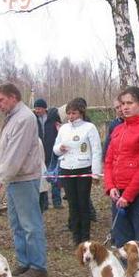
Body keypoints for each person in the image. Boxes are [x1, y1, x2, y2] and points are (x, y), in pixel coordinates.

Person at [0, 83, 48, 277]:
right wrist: (2, 176)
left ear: (13, 97)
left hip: (24, 178)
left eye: (1, 100)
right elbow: (6, 151)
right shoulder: (13, 118)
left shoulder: (24, 118)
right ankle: (24, 262)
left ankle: (38, 265)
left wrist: (1, 179)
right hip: (14, 179)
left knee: (30, 224)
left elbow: (16, 154)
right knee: (17, 225)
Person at [104, 86, 139, 270]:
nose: (125, 107)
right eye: (123, 104)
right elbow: (109, 160)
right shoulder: (117, 129)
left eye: (130, 103)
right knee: (122, 243)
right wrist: (111, 186)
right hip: (118, 194)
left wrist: (128, 195)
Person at [53, 98, 102, 246]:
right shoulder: (63, 128)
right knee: (72, 204)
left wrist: (96, 173)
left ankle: (85, 237)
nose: (71, 116)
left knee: (83, 203)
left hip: (83, 169)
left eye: (73, 113)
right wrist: (60, 148)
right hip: (67, 169)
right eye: (68, 113)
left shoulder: (89, 127)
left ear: (81, 113)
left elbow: (96, 151)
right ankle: (76, 236)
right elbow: (55, 149)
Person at [36, 103, 63, 211]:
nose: (37, 110)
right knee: (43, 179)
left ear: (44, 108)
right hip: (40, 153)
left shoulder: (53, 118)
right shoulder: (34, 119)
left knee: (55, 178)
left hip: (52, 153)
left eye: (39, 108)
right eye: (36, 108)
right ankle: (45, 203)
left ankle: (57, 202)